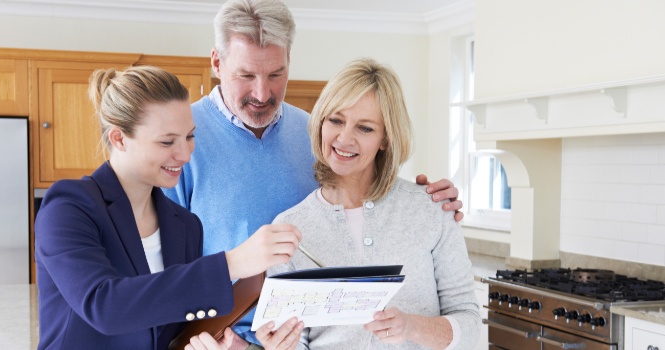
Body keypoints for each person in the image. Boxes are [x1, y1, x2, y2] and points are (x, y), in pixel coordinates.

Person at [163, 0, 464, 347]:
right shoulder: (181, 140)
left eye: (275, 74)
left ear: (289, 60)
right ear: (217, 62)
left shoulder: (317, 136)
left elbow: (363, 200)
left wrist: (432, 201)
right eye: (246, 75)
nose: (262, 93)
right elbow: (157, 275)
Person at [34, 66, 302, 350]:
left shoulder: (184, 224)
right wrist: (232, 263)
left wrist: (233, 346)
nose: (185, 154)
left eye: (189, 136)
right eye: (167, 141)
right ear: (119, 138)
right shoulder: (69, 206)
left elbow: (171, 331)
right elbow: (105, 306)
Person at [256, 58, 480, 350]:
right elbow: (297, 342)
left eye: (364, 128)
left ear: (385, 138)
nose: (344, 138)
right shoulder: (290, 229)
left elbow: (471, 328)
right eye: (335, 120)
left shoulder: (431, 210)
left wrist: (412, 326)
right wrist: (280, 345)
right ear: (321, 122)